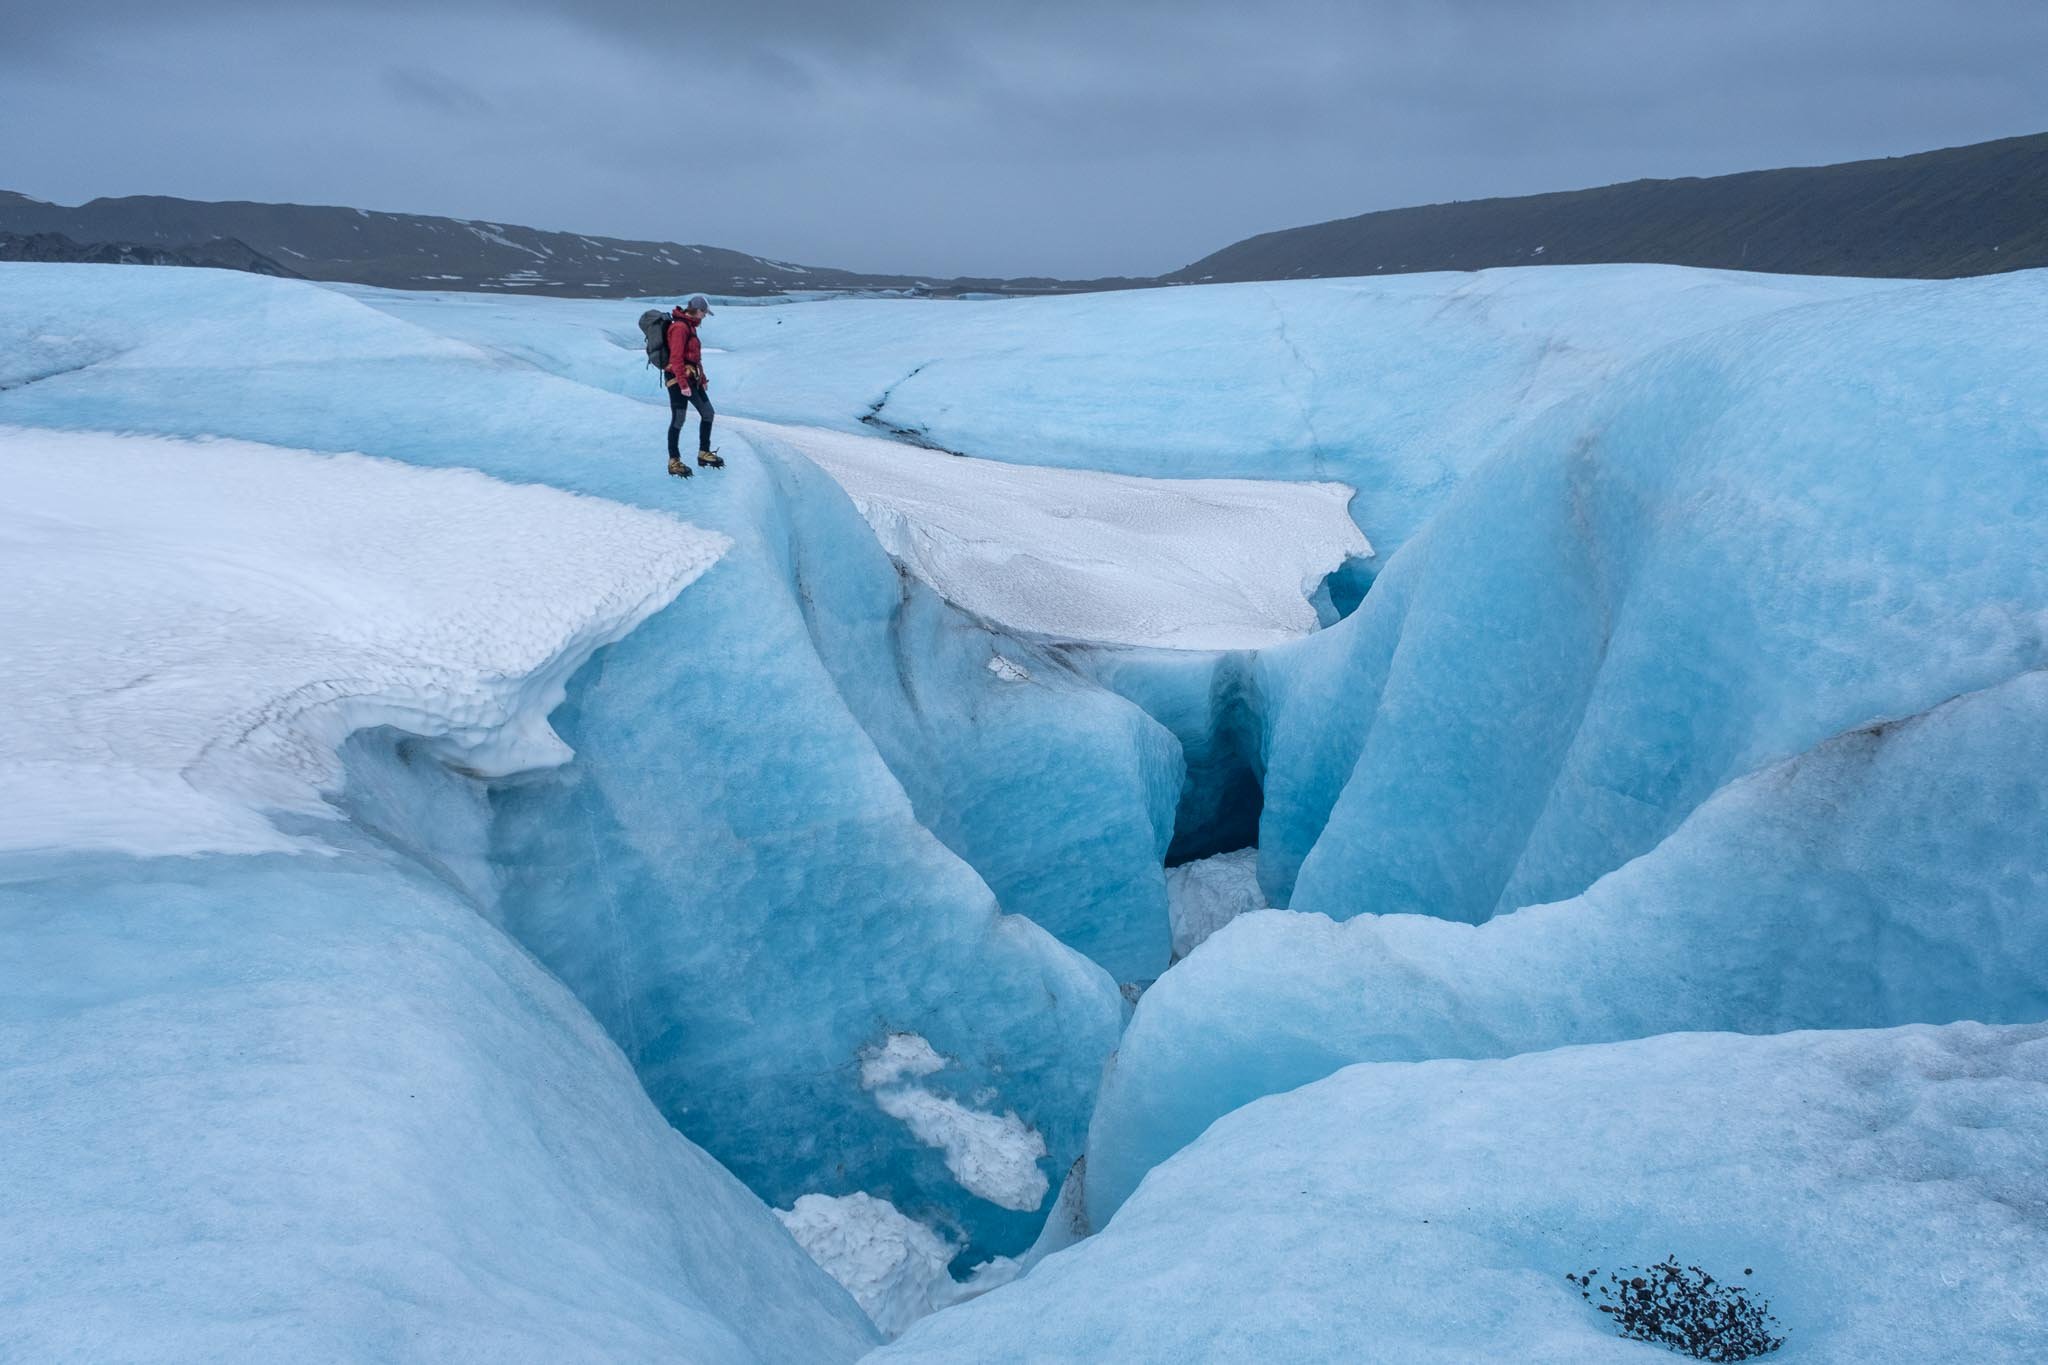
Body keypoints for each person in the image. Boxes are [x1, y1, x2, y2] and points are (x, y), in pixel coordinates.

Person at [665, 296, 722, 477]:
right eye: (704, 313)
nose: (705, 316)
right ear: (697, 310)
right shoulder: (680, 328)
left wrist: (702, 378)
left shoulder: (690, 326)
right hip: (678, 379)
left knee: (708, 413)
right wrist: (682, 384)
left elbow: (695, 357)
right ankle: (674, 461)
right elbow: (676, 358)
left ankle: (703, 453)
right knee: (679, 418)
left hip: (692, 377)